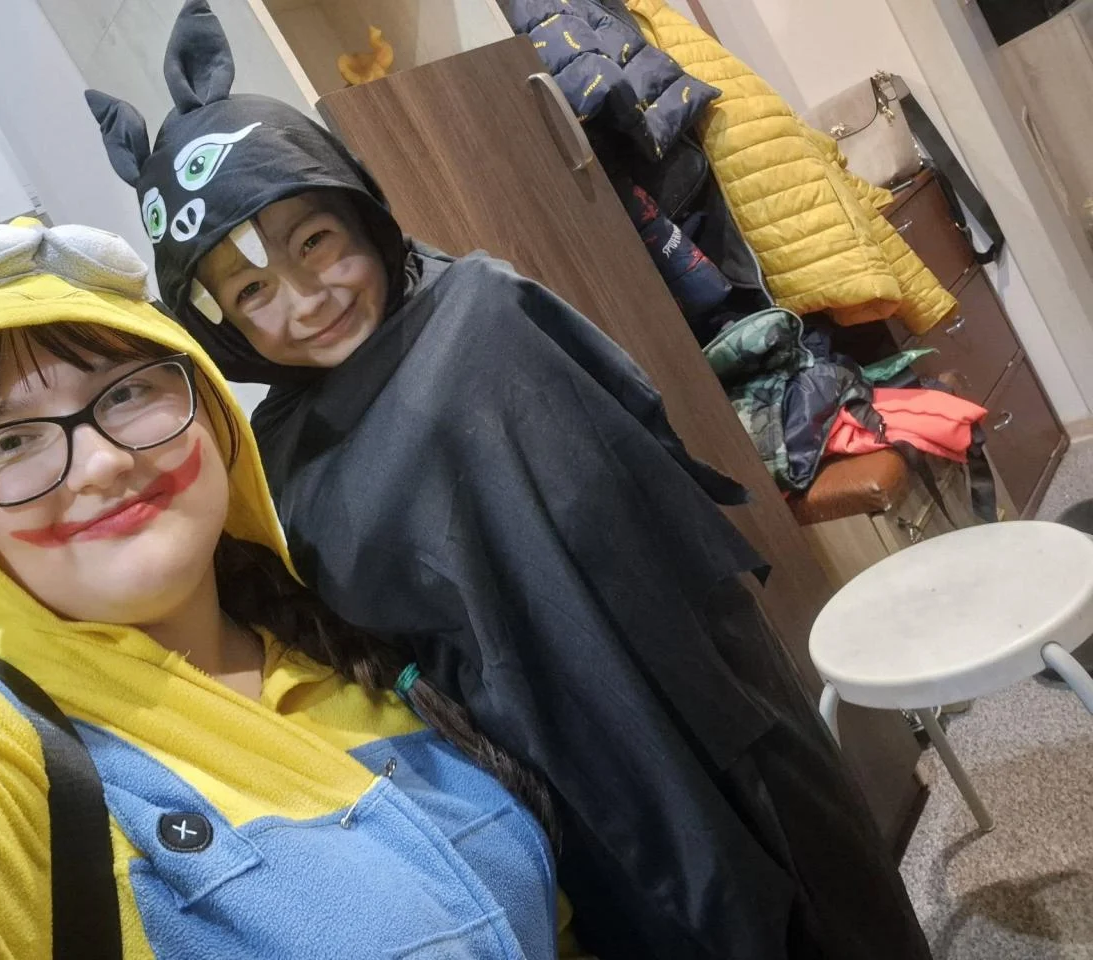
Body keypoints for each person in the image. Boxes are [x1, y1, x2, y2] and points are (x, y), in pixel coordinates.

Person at [87, 6, 933, 960]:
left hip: (693, 690)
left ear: (356, 207)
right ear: (220, 326)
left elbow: (638, 489)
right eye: (250, 292)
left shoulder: (483, 310)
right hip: (548, 773)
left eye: (313, 241)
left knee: (825, 906)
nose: (305, 299)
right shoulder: (284, 452)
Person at [0, 219, 577, 958]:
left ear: (211, 414)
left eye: (125, 393)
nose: (100, 464)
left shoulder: (353, 632)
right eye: (11, 440)